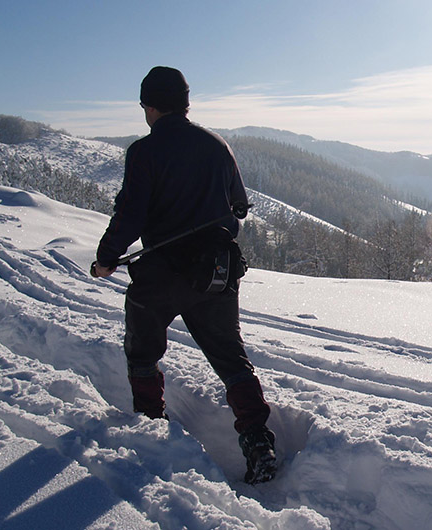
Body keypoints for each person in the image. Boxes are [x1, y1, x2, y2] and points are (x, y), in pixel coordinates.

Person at [91, 66, 278, 484]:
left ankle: (152, 430)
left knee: (142, 353)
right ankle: (258, 441)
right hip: (216, 273)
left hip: (161, 274)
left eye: (144, 105)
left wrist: (106, 259)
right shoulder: (217, 145)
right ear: (186, 102)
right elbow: (241, 206)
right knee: (232, 359)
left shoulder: (144, 151)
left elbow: (129, 216)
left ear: (151, 105)